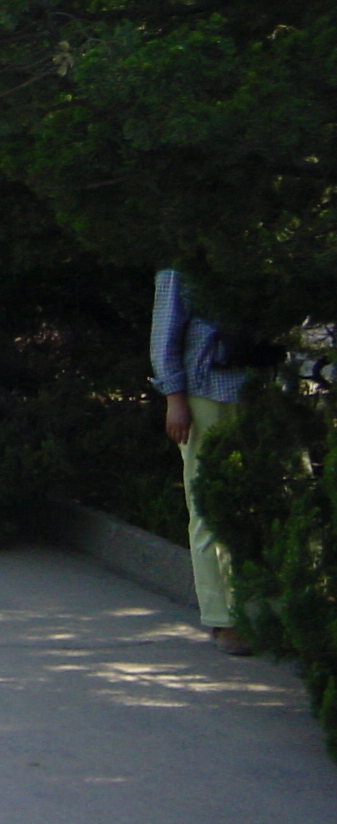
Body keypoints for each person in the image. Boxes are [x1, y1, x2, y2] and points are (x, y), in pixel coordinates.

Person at [151, 268, 253, 656]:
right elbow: (165, 336)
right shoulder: (184, 265)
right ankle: (223, 618)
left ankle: (284, 607)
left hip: (265, 390)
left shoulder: (272, 249)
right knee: (209, 503)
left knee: (275, 496)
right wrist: (174, 398)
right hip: (206, 392)